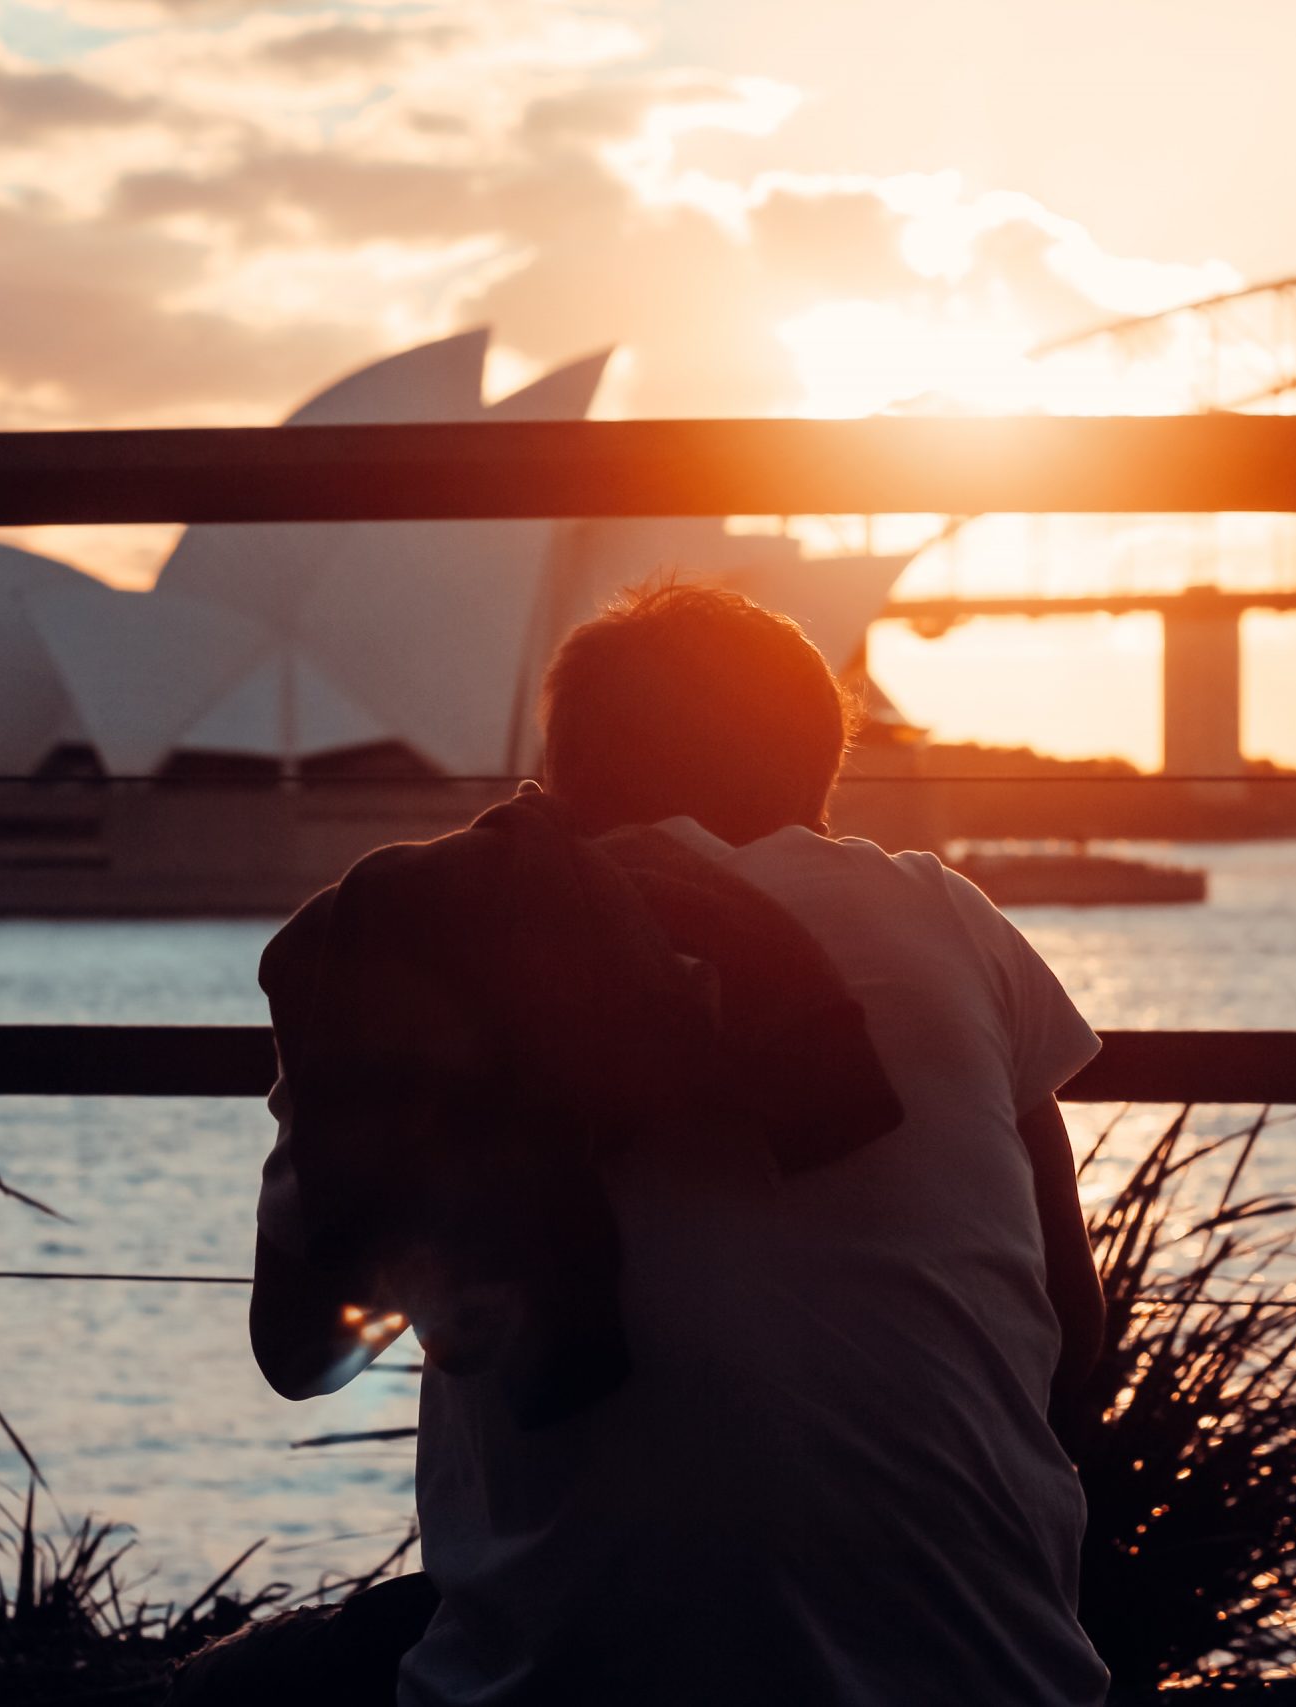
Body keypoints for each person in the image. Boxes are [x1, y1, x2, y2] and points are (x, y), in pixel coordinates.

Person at [244, 582, 1111, 1706]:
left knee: (250, 1684)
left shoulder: (423, 938)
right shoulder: (950, 922)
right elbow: (1073, 1331)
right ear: (816, 785)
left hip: (563, 1683)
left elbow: (301, 1350)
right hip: (1006, 1678)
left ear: (562, 775)